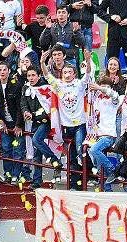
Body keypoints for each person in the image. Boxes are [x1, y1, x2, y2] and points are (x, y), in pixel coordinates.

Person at [41, 52, 91, 189]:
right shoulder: (58, 86)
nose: (67, 74)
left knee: (82, 150)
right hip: (66, 126)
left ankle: (90, 172)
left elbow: (87, 75)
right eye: (65, 72)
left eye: (70, 72)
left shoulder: (79, 85)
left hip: (80, 124)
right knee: (72, 156)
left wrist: (87, 60)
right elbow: (47, 76)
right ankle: (75, 183)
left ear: (74, 74)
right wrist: (42, 63)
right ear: (62, 74)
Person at [0, 60, 24, 182]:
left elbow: (20, 106)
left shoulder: (16, 84)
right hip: (3, 123)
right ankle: (8, 174)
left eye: (4, 69)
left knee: (17, 149)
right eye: (0, 69)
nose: (2, 72)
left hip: (16, 122)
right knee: (6, 148)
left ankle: (16, 175)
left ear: (9, 71)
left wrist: (19, 125)